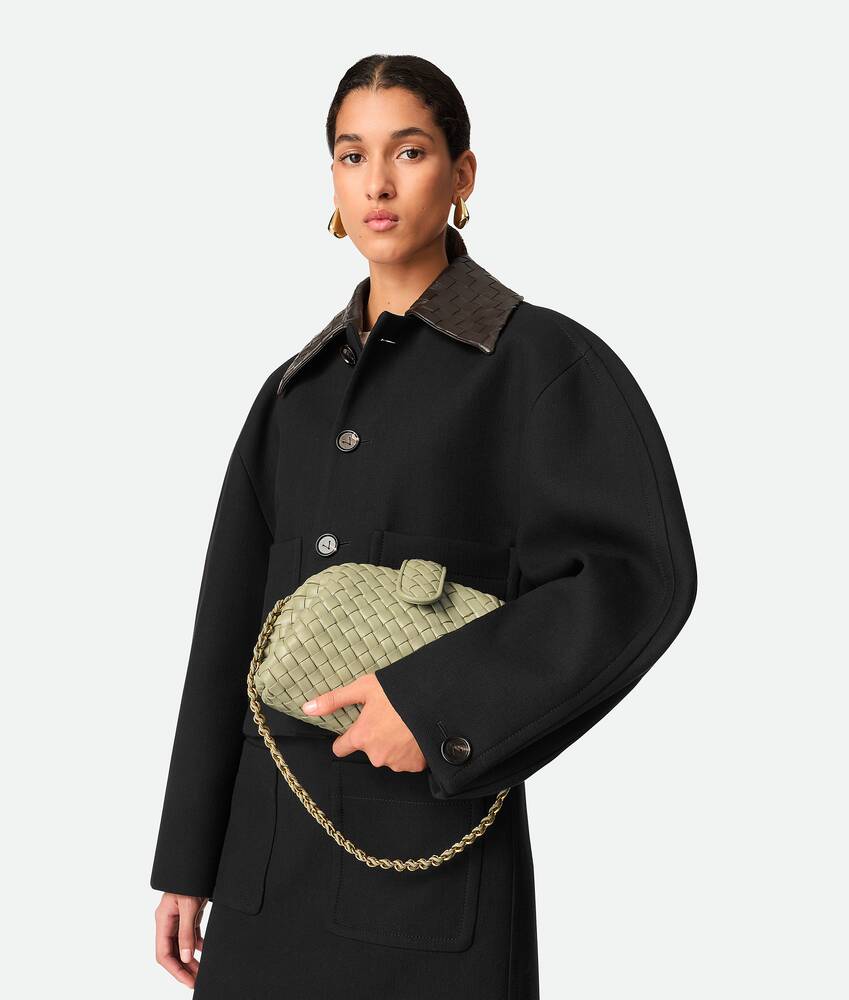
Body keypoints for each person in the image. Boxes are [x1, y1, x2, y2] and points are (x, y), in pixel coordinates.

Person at [150, 53, 697, 999]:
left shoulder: (538, 364)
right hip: (262, 879)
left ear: (461, 174)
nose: (377, 182)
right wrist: (187, 861)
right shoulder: (291, 398)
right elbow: (226, 634)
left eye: (408, 151)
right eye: (351, 154)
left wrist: (437, 708)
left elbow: (632, 578)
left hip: (424, 879)